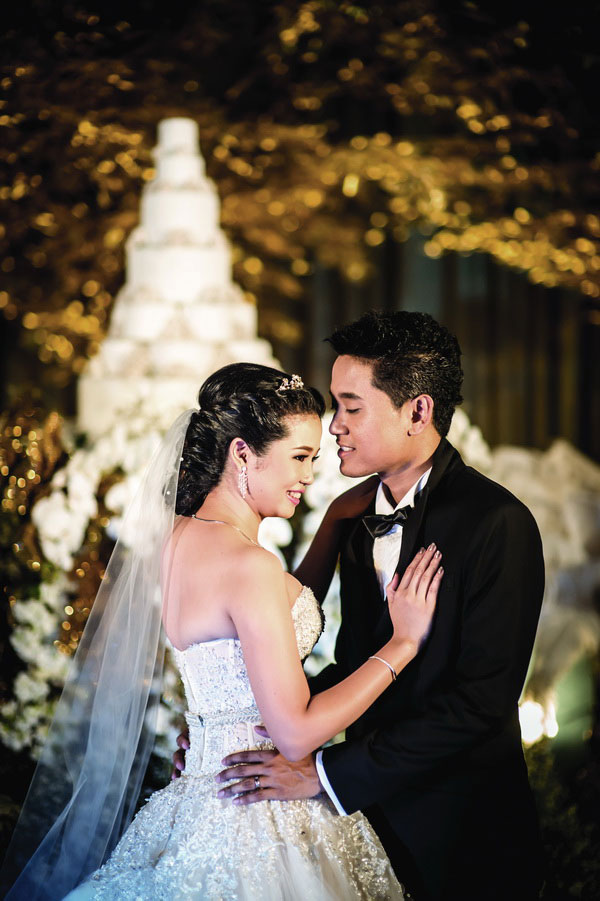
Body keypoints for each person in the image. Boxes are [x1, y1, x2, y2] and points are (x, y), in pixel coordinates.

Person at [3, 362, 442, 901]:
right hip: (260, 815)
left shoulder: (178, 540)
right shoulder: (249, 566)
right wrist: (403, 644)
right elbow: (295, 734)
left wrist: (331, 523)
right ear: (242, 453)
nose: (309, 476)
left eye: (313, 459)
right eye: (299, 457)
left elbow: (270, 611)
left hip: (200, 795)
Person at [188, 313, 545, 901]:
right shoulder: (355, 519)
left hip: (461, 836)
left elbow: (481, 703)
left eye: (351, 407)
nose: (335, 426)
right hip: (366, 828)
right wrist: (242, 729)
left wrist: (325, 772)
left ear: (418, 412)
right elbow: (357, 662)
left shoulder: (497, 522)